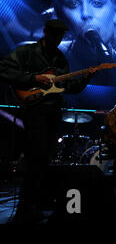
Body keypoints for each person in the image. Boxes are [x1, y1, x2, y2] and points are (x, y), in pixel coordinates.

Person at [0, 19, 96, 223]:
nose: (58, 37)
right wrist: (34, 79)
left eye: (61, 34)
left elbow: (69, 87)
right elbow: (3, 69)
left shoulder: (61, 59)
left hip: (53, 112)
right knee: (35, 159)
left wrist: (86, 77)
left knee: (45, 159)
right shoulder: (28, 52)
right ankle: (25, 210)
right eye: (55, 33)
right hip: (35, 110)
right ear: (45, 32)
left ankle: (39, 203)